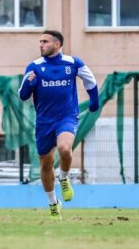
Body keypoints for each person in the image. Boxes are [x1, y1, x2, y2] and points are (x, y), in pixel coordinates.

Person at [18, 30, 99, 220]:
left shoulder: (73, 63)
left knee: (64, 148)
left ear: (57, 44)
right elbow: (22, 95)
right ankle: (53, 203)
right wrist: (30, 84)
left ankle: (63, 178)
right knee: (45, 164)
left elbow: (91, 82)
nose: (41, 45)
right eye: (40, 41)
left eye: (45, 41)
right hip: (44, 122)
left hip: (67, 117)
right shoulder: (34, 67)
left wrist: (94, 102)